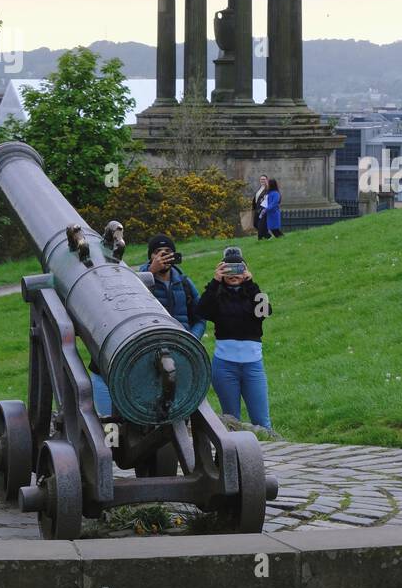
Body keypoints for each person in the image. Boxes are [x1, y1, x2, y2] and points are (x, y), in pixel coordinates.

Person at [88, 234, 206, 417]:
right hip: (145, 351)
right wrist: (150, 272)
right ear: (150, 256)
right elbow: (125, 305)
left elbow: (200, 316)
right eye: (157, 252)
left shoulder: (183, 282)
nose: (163, 256)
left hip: (177, 352)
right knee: (111, 422)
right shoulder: (135, 281)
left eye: (168, 252)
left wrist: (191, 339)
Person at [192, 247, 274, 429]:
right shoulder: (216, 295)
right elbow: (201, 311)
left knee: (262, 422)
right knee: (232, 422)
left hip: (253, 366)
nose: (233, 274)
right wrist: (214, 282)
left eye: (238, 269)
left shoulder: (253, 293)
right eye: (228, 269)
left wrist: (251, 283)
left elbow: (265, 311)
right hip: (224, 367)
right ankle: (235, 456)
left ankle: (265, 455)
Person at [252, 174, 270, 240]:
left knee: (260, 224)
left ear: (266, 180)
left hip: (262, 209)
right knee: (255, 224)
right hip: (257, 208)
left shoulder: (267, 189)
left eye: (264, 179)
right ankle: (267, 235)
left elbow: (266, 199)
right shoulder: (260, 188)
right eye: (261, 179)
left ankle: (261, 238)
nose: (262, 180)